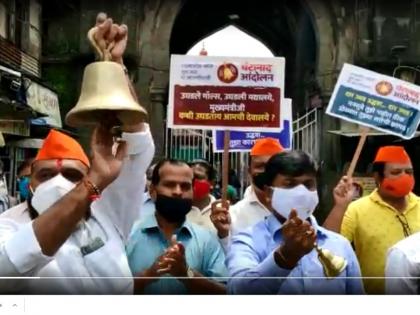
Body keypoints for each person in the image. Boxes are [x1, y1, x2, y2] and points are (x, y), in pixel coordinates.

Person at [0, 13, 155, 294]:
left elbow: (139, 144)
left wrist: (116, 68)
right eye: (46, 174)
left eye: (72, 175)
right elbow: (6, 270)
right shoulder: (8, 226)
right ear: (29, 182)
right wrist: (91, 184)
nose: (58, 183)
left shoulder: (108, 213)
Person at [227, 151, 364, 294]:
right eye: (290, 184)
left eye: (308, 184)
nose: (301, 192)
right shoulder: (247, 242)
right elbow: (238, 292)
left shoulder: (339, 245)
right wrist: (284, 258)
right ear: (269, 193)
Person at [323, 146, 420, 294]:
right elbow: (327, 246)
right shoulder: (356, 209)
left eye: (409, 172)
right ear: (377, 177)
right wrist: (339, 207)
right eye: (396, 173)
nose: (405, 177)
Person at [127, 159, 227, 294]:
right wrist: (148, 276)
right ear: (152, 191)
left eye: (185, 186)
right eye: (169, 185)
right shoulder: (128, 237)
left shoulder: (207, 240)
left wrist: (186, 273)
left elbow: (224, 293)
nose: (178, 192)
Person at [211, 137, 284, 251]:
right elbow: (229, 259)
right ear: (249, 171)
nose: (267, 172)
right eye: (260, 166)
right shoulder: (233, 215)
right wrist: (223, 234)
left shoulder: (296, 209)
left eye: (273, 167)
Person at [187, 159, 217, 232]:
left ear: (212, 184)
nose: (192, 182)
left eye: (198, 177)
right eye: (189, 178)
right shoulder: (177, 210)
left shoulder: (222, 211)